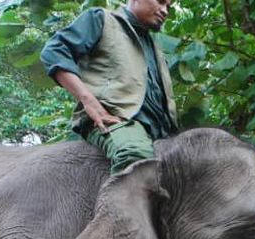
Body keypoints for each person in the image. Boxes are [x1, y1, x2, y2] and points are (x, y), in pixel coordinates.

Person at [41, 0, 177, 174]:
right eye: (160, 2)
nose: (165, 11)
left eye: (169, 6)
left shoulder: (155, 47)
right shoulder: (101, 19)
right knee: (134, 156)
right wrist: (88, 101)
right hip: (116, 120)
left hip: (161, 133)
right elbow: (54, 51)